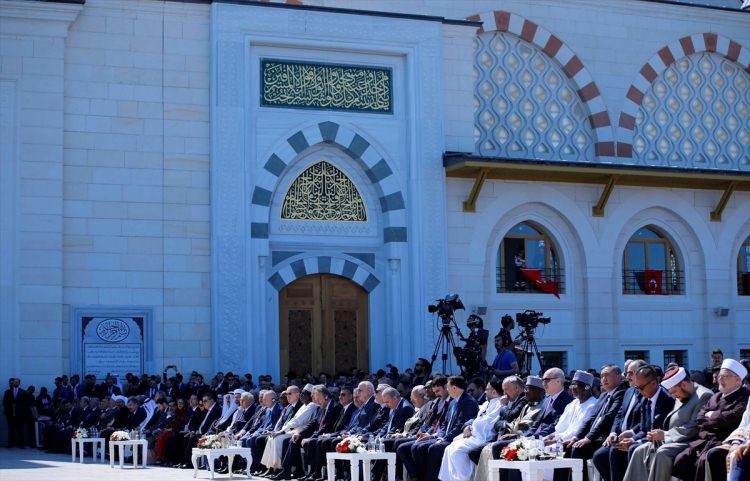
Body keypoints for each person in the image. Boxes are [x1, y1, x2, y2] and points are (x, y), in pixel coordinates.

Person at [623, 366, 713, 481]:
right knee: (640, 450)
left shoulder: (703, 396)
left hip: (690, 440)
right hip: (673, 438)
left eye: (674, 392)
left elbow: (694, 427)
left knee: (662, 452)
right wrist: (660, 434)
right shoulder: (682, 394)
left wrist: (665, 435)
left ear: (684, 385)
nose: (674, 396)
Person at [672, 358, 750, 481]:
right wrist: (715, 417)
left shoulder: (744, 396)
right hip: (704, 440)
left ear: (737, 380)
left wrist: (711, 415)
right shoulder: (715, 396)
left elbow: (731, 416)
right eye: (720, 376)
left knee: (704, 461)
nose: (720, 379)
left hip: (721, 439)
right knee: (682, 458)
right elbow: (700, 417)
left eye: (725, 376)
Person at [594, 365, 675, 481]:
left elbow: (657, 433)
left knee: (632, 449)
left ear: (654, 383)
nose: (639, 392)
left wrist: (635, 441)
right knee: (616, 449)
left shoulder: (666, 400)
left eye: (641, 387)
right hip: (646, 440)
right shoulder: (645, 399)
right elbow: (643, 429)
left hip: (660, 442)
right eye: (637, 388)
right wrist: (631, 439)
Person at [399, 376, 479, 481]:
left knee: (433, 448)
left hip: (456, 438)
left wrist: (444, 439)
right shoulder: (453, 402)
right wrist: (435, 435)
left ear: (454, 388)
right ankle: (422, 478)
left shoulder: (468, 402)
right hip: (444, 436)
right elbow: (445, 424)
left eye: (448, 387)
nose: (447, 390)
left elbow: (459, 427)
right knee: (417, 447)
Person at [438, 378, 504, 481]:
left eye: (487, 389)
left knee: (458, 451)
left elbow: (489, 423)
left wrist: (472, 428)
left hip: (483, 437)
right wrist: (469, 426)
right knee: (449, 448)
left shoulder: (499, 404)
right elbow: (477, 419)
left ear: (494, 391)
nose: (485, 392)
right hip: (474, 434)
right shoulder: (487, 403)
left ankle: (464, 479)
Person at [2, 378, 29, 448]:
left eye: (17, 382)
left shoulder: (23, 392)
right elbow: (4, 403)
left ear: (19, 383)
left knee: (20, 429)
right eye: (14, 382)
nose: (15, 383)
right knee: (11, 429)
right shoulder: (7, 392)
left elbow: (26, 404)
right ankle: (11, 444)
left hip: (20, 414)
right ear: (13, 383)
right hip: (10, 414)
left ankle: (21, 444)